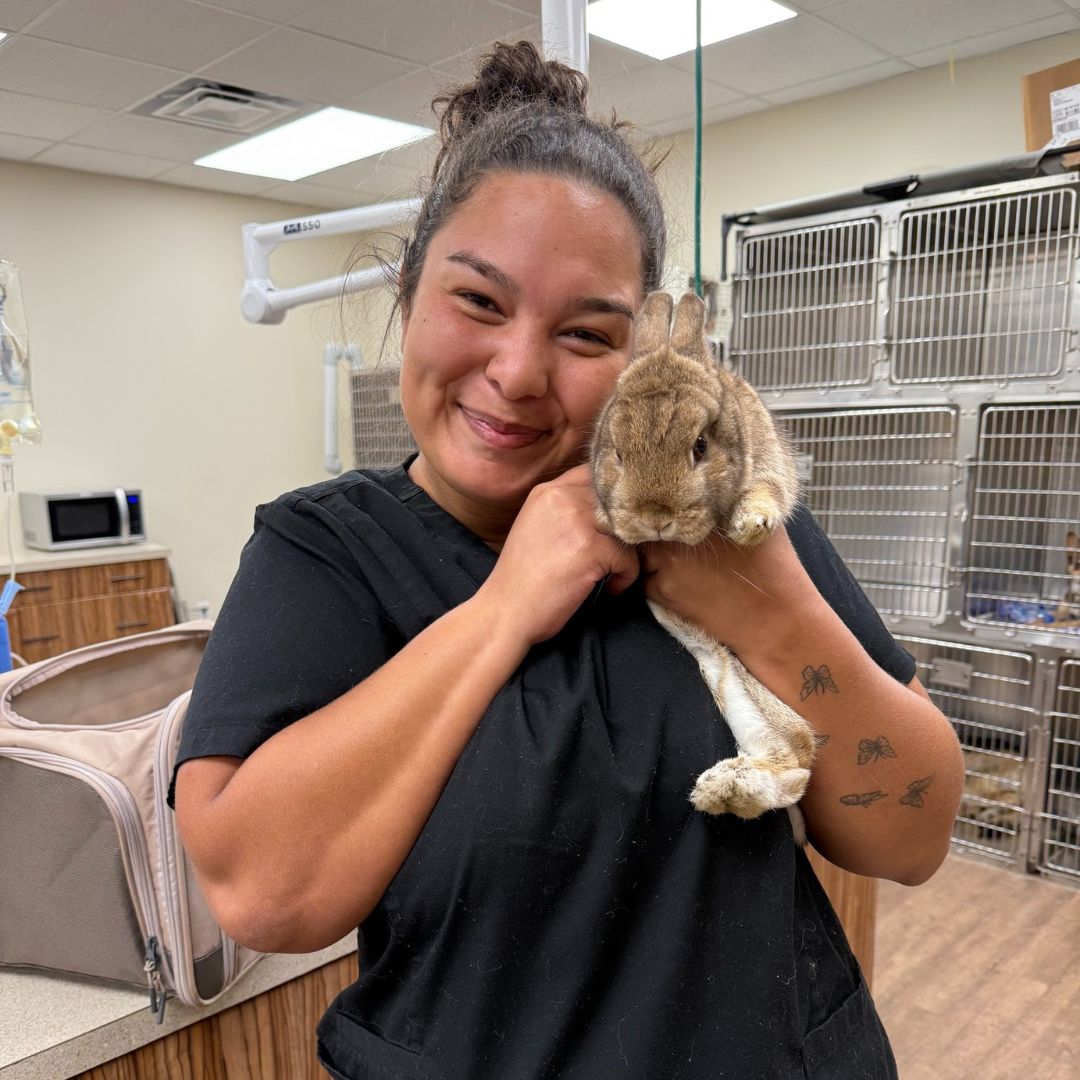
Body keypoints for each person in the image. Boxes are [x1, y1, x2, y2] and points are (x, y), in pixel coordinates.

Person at [171, 41, 964, 1080]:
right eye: (480, 302)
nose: (516, 372)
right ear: (410, 292)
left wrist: (764, 602)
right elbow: (263, 895)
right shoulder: (325, 557)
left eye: (586, 335)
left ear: (639, 353)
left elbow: (908, 838)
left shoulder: (715, 506)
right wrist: (506, 607)